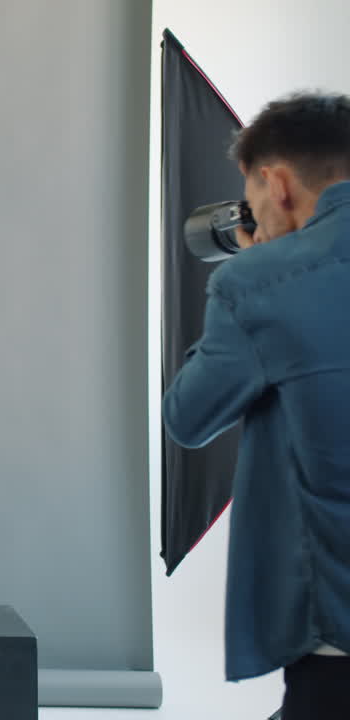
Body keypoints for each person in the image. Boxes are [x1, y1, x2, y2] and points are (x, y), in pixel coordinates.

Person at [163, 92, 350, 719]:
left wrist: (256, 269)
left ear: (277, 182)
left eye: (255, 196)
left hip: (334, 621)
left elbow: (188, 417)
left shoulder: (260, 281)